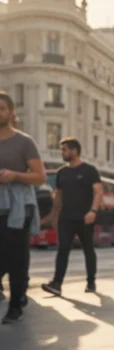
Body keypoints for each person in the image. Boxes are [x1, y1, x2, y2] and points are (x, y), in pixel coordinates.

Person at [0, 91, 45, 324]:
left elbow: (40, 177)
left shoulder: (24, 141)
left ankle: (15, 304)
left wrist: (14, 175)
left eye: (2, 109)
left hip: (18, 206)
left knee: (16, 257)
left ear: (10, 112)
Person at [42, 138, 103, 296]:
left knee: (88, 249)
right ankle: (57, 284)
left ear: (74, 151)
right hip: (66, 218)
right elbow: (58, 196)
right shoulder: (62, 172)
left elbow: (98, 192)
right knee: (62, 250)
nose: (62, 152)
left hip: (84, 218)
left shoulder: (89, 170)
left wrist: (93, 211)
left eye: (65, 149)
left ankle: (91, 282)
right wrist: (54, 217)